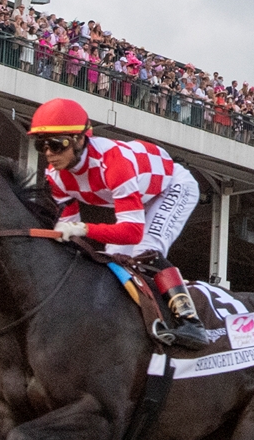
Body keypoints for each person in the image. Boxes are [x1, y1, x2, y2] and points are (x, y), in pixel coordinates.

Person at [27, 97, 213, 348]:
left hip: (172, 186)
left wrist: (84, 229)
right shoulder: (55, 176)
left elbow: (133, 232)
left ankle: (191, 322)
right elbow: (70, 235)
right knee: (111, 262)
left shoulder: (113, 162)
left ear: (80, 139)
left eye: (57, 144)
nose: (49, 153)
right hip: (141, 193)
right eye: (42, 146)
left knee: (146, 251)